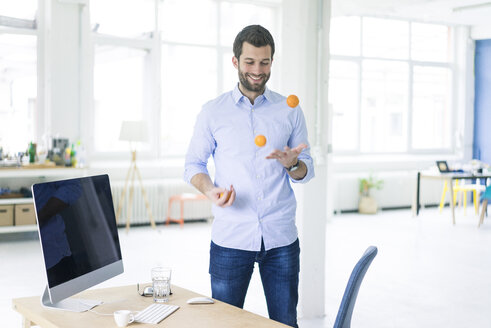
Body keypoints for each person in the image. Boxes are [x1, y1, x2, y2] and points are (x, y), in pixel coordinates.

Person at [184, 24, 314, 327]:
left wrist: (292, 164)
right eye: (250, 62)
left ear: (272, 62)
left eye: (265, 62)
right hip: (231, 239)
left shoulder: (289, 110)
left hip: (281, 239)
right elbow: (193, 165)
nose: (258, 70)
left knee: (285, 323)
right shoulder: (213, 112)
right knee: (224, 323)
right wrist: (210, 190)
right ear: (235, 62)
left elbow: (306, 171)